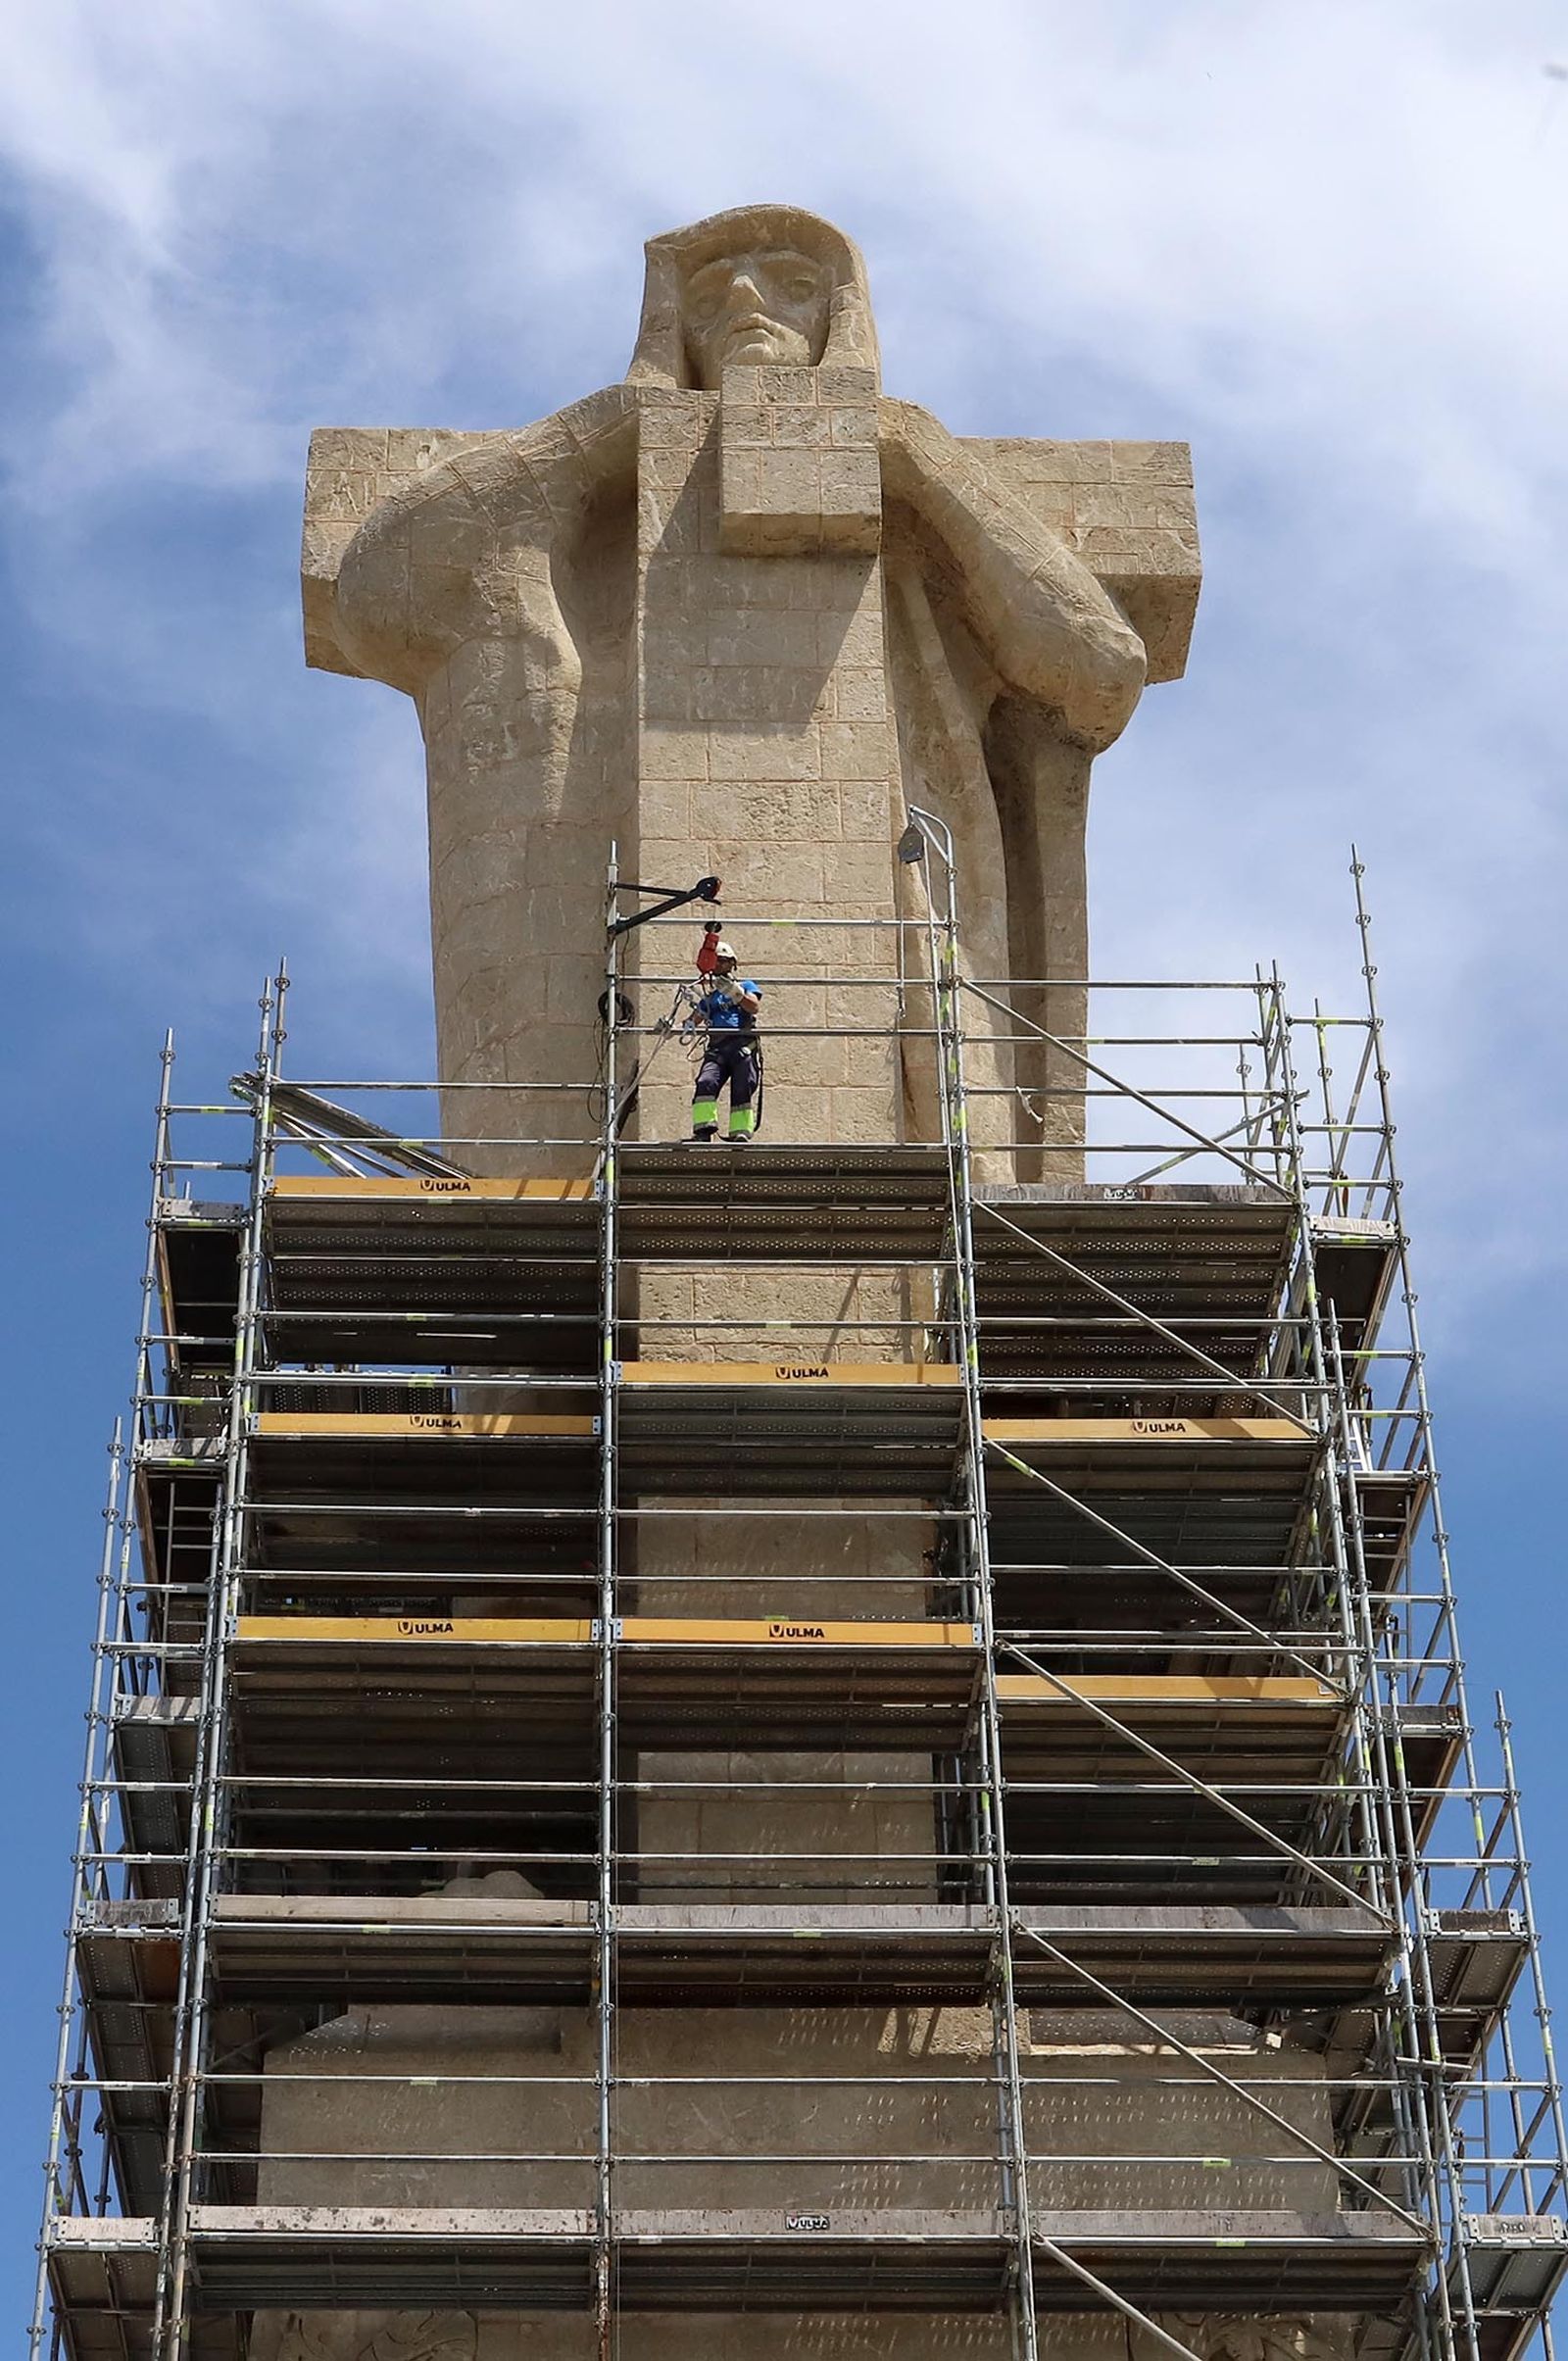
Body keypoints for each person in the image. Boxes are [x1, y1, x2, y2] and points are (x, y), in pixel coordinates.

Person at [690, 943, 762, 1142]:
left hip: (741, 1047)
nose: (718, 965)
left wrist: (734, 992)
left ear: (732, 964)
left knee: (741, 1088)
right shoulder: (710, 997)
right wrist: (674, 1025)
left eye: (723, 961)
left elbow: (753, 1007)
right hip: (718, 1049)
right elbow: (694, 1020)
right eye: (716, 961)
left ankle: (740, 1132)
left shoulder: (746, 986)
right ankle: (703, 1130)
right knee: (706, 1082)